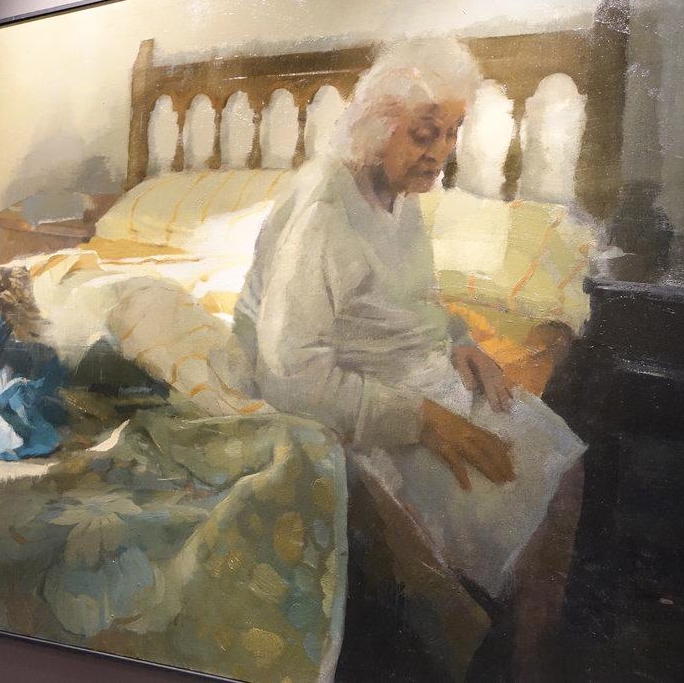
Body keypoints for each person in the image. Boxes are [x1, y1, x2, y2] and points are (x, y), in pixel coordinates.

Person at [234, 37, 586, 681]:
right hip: (353, 410)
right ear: (375, 126)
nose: (441, 152)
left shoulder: (399, 192)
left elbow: (410, 298)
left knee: (560, 460)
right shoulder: (323, 210)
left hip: (409, 379)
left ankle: (532, 654)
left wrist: (461, 341)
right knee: (531, 485)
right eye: (426, 134)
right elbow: (289, 375)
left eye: (451, 133)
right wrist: (425, 420)